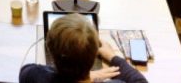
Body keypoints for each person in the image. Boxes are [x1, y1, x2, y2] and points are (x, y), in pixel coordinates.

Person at [18, 12, 146, 83]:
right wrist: (113, 57)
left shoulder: (34, 76)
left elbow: (25, 71)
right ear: (94, 54)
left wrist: (79, 76)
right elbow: (140, 81)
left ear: (50, 50)